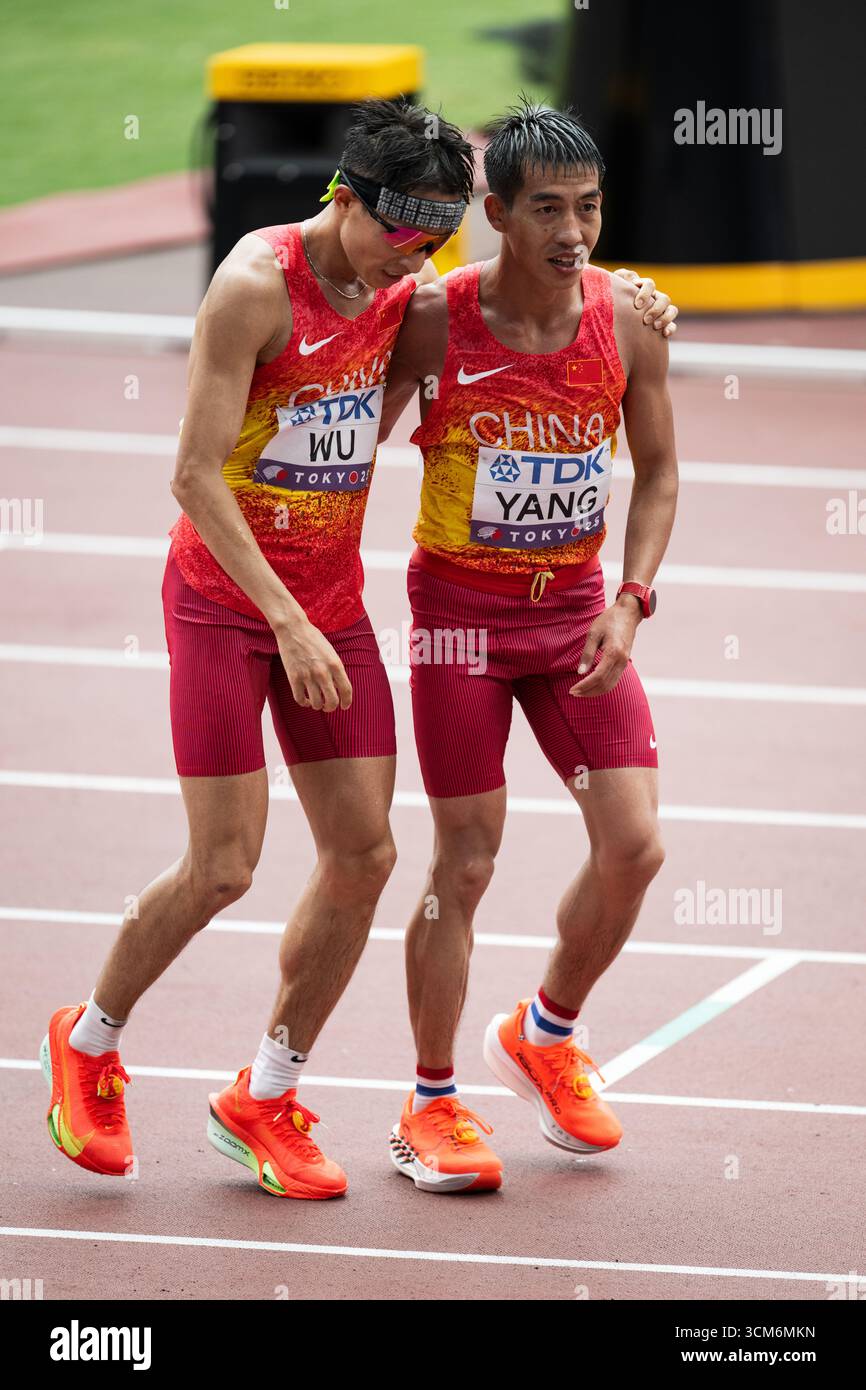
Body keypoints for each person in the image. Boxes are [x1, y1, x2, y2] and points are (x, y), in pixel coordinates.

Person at [40, 97, 676, 1201]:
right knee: (227, 864)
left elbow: (537, 307)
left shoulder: (406, 298)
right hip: (227, 604)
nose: (412, 258)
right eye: (399, 233)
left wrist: (636, 299)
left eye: (432, 239)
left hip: (333, 610)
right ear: (345, 197)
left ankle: (266, 1092)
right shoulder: (258, 286)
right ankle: (90, 1039)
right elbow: (194, 474)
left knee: (366, 858)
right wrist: (283, 619)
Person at [379, 100, 678, 1192]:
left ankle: (545, 1031)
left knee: (634, 846)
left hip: (576, 620)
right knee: (462, 862)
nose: (571, 231)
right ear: (494, 213)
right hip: (458, 619)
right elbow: (345, 428)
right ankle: (429, 1101)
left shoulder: (629, 319)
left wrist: (632, 597)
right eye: (545, 209)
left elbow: (658, 472)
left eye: (588, 208)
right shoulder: (432, 319)